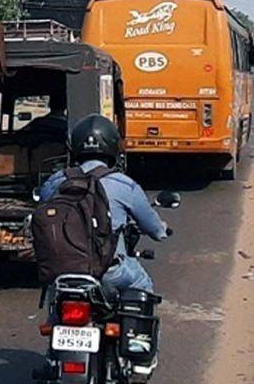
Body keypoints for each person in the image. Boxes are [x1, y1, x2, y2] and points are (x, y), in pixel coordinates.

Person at [37, 114, 169, 294]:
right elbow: (155, 230)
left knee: (55, 299)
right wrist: (161, 229)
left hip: (62, 272)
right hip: (109, 271)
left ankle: (52, 321)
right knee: (142, 284)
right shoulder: (124, 184)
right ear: (113, 146)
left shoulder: (55, 181)